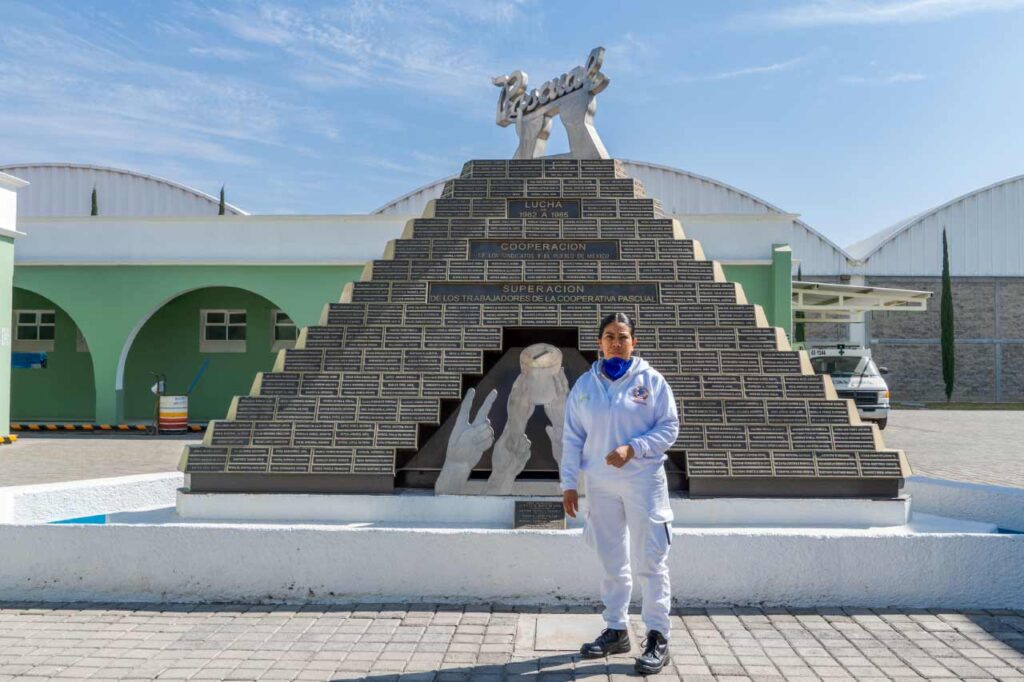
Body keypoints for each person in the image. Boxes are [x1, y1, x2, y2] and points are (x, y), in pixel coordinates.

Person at [560, 312, 679, 675]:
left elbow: (670, 427)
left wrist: (634, 448)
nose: (616, 342)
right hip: (600, 485)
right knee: (612, 559)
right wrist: (568, 482)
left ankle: (657, 636)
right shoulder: (585, 385)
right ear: (599, 342)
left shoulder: (651, 382)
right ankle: (616, 629)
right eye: (609, 336)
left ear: (633, 342)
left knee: (650, 560)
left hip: (643, 482)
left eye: (623, 336)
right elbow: (572, 437)